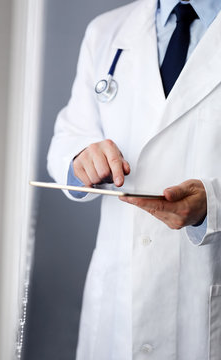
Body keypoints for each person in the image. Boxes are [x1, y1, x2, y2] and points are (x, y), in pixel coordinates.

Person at [47, 0, 221, 358]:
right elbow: (68, 137)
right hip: (118, 300)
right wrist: (81, 158)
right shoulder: (106, 31)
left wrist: (212, 204)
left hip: (203, 297)